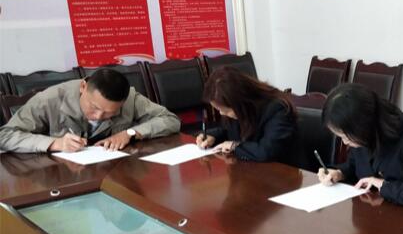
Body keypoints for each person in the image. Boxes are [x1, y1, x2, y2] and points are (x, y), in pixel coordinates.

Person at [317, 83, 403, 211]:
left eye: (345, 137)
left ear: (361, 126)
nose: (345, 142)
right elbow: (355, 165)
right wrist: (339, 173)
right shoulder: (363, 136)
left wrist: (382, 185)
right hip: (378, 215)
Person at [0, 68, 180, 153]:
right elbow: (5, 136)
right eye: (94, 107)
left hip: (112, 172)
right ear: (83, 87)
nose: (99, 116)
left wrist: (130, 133)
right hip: (59, 177)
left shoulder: (130, 99)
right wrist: (55, 143)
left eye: (109, 113)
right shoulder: (48, 100)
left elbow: (170, 120)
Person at [197, 67, 302, 165]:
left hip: (283, 171)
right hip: (250, 169)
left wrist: (234, 146)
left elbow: (267, 151)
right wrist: (213, 137)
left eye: (226, 110)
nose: (221, 113)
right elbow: (228, 130)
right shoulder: (240, 110)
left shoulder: (277, 108)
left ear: (241, 101)